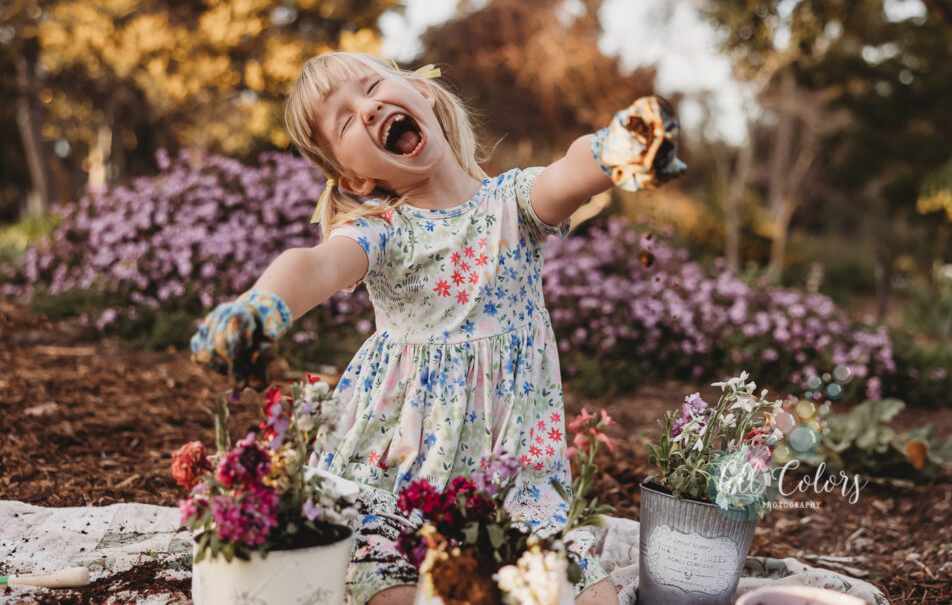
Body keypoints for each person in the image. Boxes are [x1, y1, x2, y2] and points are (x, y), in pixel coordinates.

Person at [190, 52, 685, 604]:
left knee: (587, 597)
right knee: (389, 594)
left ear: (422, 94)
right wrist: (262, 308)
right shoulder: (381, 233)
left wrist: (614, 149)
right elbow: (315, 264)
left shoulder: (511, 206)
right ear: (352, 175)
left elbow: (566, 175)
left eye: (373, 85)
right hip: (395, 481)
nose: (370, 106)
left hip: (511, 481)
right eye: (346, 119)